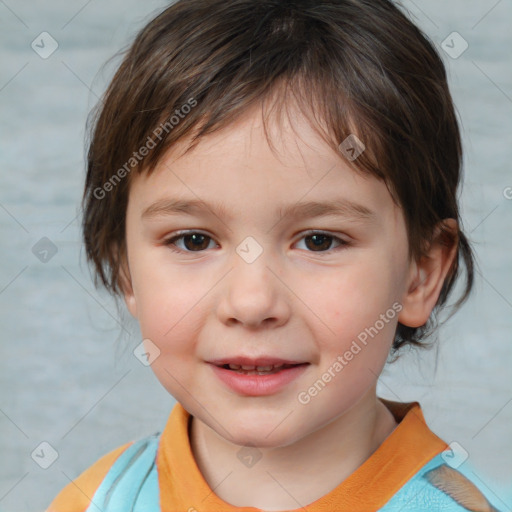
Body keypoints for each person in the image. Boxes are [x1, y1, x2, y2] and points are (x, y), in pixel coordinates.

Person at [46, 0, 502, 510]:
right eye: (194, 240)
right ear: (127, 269)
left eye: (319, 240)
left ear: (420, 273)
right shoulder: (93, 502)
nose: (251, 301)